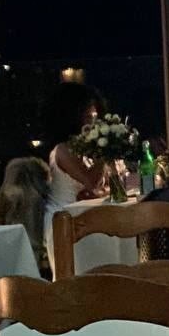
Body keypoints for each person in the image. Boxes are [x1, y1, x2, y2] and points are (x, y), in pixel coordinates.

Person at [41, 82, 105, 270]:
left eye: (95, 116)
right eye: (88, 116)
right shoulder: (63, 150)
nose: (93, 122)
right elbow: (90, 181)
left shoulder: (85, 150)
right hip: (63, 220)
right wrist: (105, 152)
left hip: (83, 216)